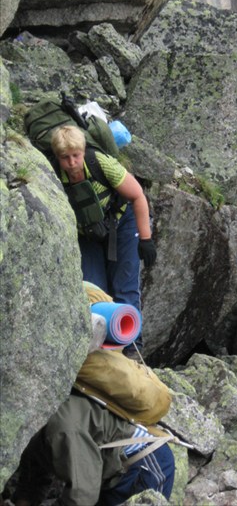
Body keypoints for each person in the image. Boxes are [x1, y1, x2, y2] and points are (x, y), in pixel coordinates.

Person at [11, 315, 174, 506]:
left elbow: (82, 496)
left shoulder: (61, 429)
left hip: (145, 463)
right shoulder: (31, 431)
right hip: (111, 472)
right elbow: (33, 479)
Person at [51, 125, 156, 358]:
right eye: (65, 158)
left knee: (125, 287)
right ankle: (101, 352)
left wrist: (145, 239)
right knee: (93, 290)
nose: (71, 163)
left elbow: (137, 195)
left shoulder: (100, 163)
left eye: (76, 156)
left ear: (83, 150)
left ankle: (131, 349)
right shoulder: (52, 175)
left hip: (121, 224)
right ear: (57, 157)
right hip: (86, 233)